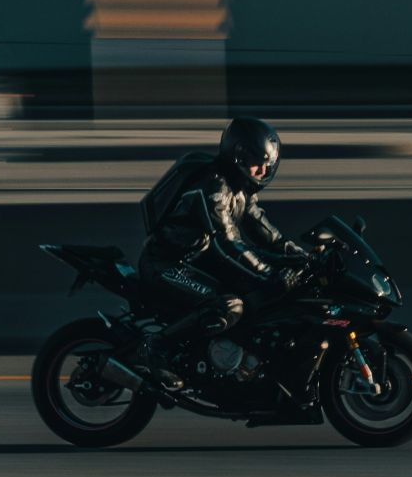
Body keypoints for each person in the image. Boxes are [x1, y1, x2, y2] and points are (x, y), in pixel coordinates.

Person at [133, 117, 310, 388]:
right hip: (167, 263)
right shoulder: (213, 187)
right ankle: (156, 347)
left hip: (198, 262)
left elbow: (262, 229)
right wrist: (268, 273)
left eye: (268, 164)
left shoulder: (240, 188)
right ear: (238, 155)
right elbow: (228, 243)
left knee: (258, 294)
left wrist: (301, 256)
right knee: (229, 305)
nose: (263, 170)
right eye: (257, 162)